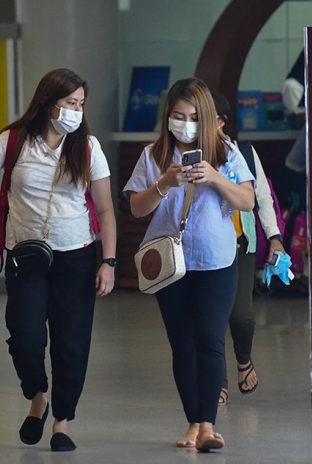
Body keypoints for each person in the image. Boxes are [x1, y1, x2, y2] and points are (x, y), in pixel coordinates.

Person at [0, 68, 117, 452]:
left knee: (71, 342)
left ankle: (61, 421)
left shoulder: (89, 147)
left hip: (76, 255)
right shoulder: (14, 142)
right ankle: (37, 396)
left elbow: (107, 211)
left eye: (80, 104)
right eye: (69, 104)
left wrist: (108, 262)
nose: (76, 111)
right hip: (26, 258)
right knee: (25, 336)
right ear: (48, 105)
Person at [123, 78, 255, 452]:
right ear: (168, 117)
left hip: (216, 259)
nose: (184, 123)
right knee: (182, 344)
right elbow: (136, 208)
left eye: (194, 117)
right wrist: (165, 183)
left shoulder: (226, 152)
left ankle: (209, 426)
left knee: (210, 339)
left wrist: (214, 177)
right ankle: (194, 422)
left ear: (209, 118)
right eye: (178, 116)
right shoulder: (153, 156)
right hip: (170, 263)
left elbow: (247, 201)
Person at [211, 92, 286, 405]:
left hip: (241, 246)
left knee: (240, 316)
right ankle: (218, 380)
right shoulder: (185, 153)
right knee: (211, 319)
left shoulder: (241, 151)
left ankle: (244, 359)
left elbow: (263, 196)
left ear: (221, 121)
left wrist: (275, 236)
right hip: (204, 250)